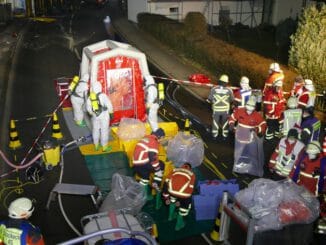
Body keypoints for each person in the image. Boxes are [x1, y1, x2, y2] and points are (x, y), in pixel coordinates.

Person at [229, 97, 266, 177]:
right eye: (248, 108)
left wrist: (257, 129)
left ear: (254, 108)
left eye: (251, 109)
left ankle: (251, 169)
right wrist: (231, 124)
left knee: (251, 154)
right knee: (238, 153)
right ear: (246, 106)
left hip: (250, 139)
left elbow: (263, 124)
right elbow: (232, 117)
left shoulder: (257, 115)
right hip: (240, 137)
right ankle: (237, 168)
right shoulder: (240, 111)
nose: (249, 111)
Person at [132, 128, 165, 201]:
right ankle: (156, 183)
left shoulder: (145, 138)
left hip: (136, 164)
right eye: (162, 138)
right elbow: (152, 157)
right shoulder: (154, 142)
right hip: (143, 164)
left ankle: (140, 193)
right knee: (161, 165)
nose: (162, 140)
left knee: (145, 179)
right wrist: (158, 170)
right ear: (159, 136)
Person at [162, 163, 196, 231]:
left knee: (172, 201)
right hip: (184, 194)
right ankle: (178, 225)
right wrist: (183, 200)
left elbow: (166, 181)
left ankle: (170, 217)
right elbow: (191, 187)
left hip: (171, 191)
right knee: (183, 209)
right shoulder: (192, 174)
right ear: (190, 168)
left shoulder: (175, 170)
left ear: (182, 166)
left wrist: (166, 196)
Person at [86, 81, 114, 152]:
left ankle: (96, 145)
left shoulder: (90, 97)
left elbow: (88, 108)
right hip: (104, 115)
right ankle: (104, 147)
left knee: (95, 130)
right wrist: (111, 113)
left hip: (95, 116)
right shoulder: (103, 95)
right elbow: (109, 105)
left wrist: (92, 113)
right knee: (104, 130)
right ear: (100, 87)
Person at [207, 74, 234, 139]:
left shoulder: (214, 89)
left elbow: (210, 99)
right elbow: (231, 100)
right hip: (225, 110)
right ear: (227, 82)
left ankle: (214, 135)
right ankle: (225, 136)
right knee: (225, 123)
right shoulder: (229, 90)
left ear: (219, 81)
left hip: (216, 109)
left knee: (215, 122)